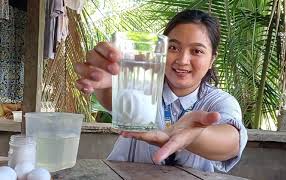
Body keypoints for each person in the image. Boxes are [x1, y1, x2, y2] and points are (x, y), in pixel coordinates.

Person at [74, 9, 248, 173]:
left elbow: (232, 142)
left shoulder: (219, 101)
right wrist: (104, 77)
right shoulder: (140, 88)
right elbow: (113, 97)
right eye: (173, 47)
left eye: (196, 51)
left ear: (212, 60)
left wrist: (194, 135)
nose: (182, 60)